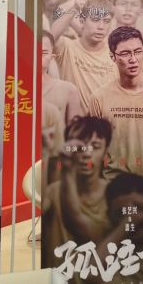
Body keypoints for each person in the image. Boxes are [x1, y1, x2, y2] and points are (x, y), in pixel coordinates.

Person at [88, 26, 143, 212]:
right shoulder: (99, 98)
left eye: (137, 52)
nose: (133, 59)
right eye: (125, 53)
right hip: (115, 194)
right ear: (113, 56)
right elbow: (95, 152)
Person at [42, 115, 113, 274]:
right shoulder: (53, 192)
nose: (86, 153)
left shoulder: (114, 195)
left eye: (95, 146)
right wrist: (46, 151)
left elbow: (88, 233)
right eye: (78, 146)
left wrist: (67, 170)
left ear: (106, 152)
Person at [50, 0, 116, 111]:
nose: (101, 27)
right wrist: (75, 7)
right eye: (95, 19)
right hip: (75, 121)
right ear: (82, 21)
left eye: (106, 21)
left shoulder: (115, 54)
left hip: (107, 120)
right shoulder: (67, 47)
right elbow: (51, 38)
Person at [41, 30, 83, 128]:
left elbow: (73, 132)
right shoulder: (11, 87)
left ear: (52, 57)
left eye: (43, 52)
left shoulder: (69, 90)